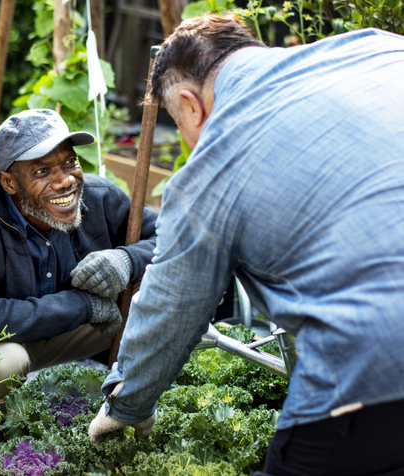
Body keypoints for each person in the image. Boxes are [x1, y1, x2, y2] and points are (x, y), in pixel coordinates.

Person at [88, 14, 404, 475]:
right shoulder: (375, 49)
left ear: (189, 104)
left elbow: (170, 306)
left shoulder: (210, 171)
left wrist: (126, 405)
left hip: (375, 372)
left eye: (180, 126)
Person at [0, 108, 160, 400]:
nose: (65, 181)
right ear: (9, 182)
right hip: (8, 341)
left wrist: (127, 260)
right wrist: (83, 306)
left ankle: (133, 405)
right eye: (42, 171)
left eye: (70, 162)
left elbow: (173, 238)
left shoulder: (99, 196)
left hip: (80, 331)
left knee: (161, 292)